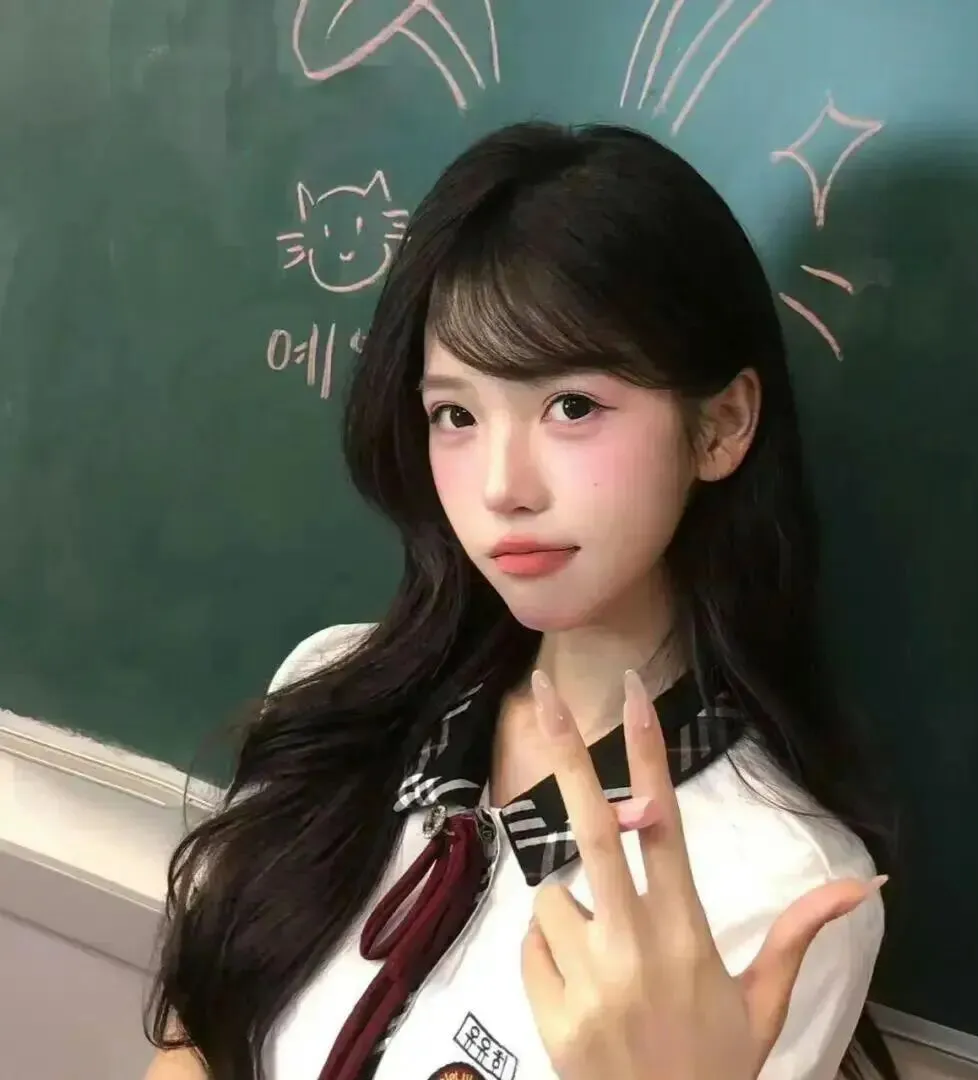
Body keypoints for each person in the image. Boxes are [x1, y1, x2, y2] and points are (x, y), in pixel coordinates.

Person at [144, 121, 899, 1080]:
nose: (503, 485)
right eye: (455, 414)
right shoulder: (335, 697)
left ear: (722, 425)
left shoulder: (780, 884)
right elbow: (196, 1044)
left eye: (571, 406)